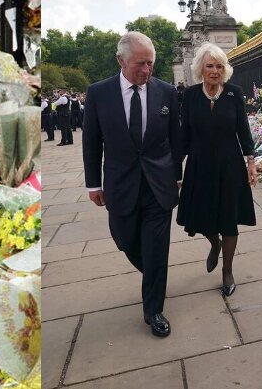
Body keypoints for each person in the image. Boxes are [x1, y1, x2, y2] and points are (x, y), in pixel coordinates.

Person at [83, 31, 182, 338]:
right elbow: (91, 141)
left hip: (159, 184)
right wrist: (92, 184)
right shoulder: (99, 93)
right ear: (120, 60)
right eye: (140, 64)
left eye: (150, 63)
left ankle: (153, 309)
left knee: (156, 248)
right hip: (120, 184)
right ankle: (153, 274)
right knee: (125, 239)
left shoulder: (166, 92)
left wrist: (177, 175)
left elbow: (176, 139)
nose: (146, 70)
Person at [176, 42, 257, 297]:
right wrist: (176, 169)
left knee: (229, 219)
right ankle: (214, 244)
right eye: (210, 66)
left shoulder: (234, 93)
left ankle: (227, 270)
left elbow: (243, 130)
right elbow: (184, 134)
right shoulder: (189, 95)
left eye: (219, 66)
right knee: (202, 217)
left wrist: (251, 162)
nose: (214, 71)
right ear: (201, 68)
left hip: (230, 165)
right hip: (200, 165)